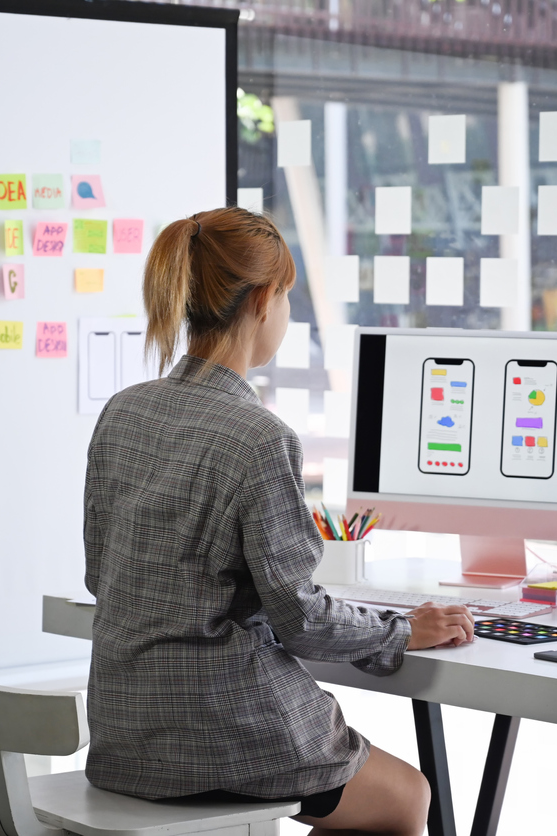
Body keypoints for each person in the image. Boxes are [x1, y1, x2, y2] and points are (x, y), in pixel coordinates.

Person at [83, 206, 476, 836]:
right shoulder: (259, 437)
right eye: (289, 297)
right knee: (406, 797)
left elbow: (101, 575)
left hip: (124, 732)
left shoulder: (122, 412)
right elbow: (301, 619)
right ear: (265, 300)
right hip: (219, 728)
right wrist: (401, 632)